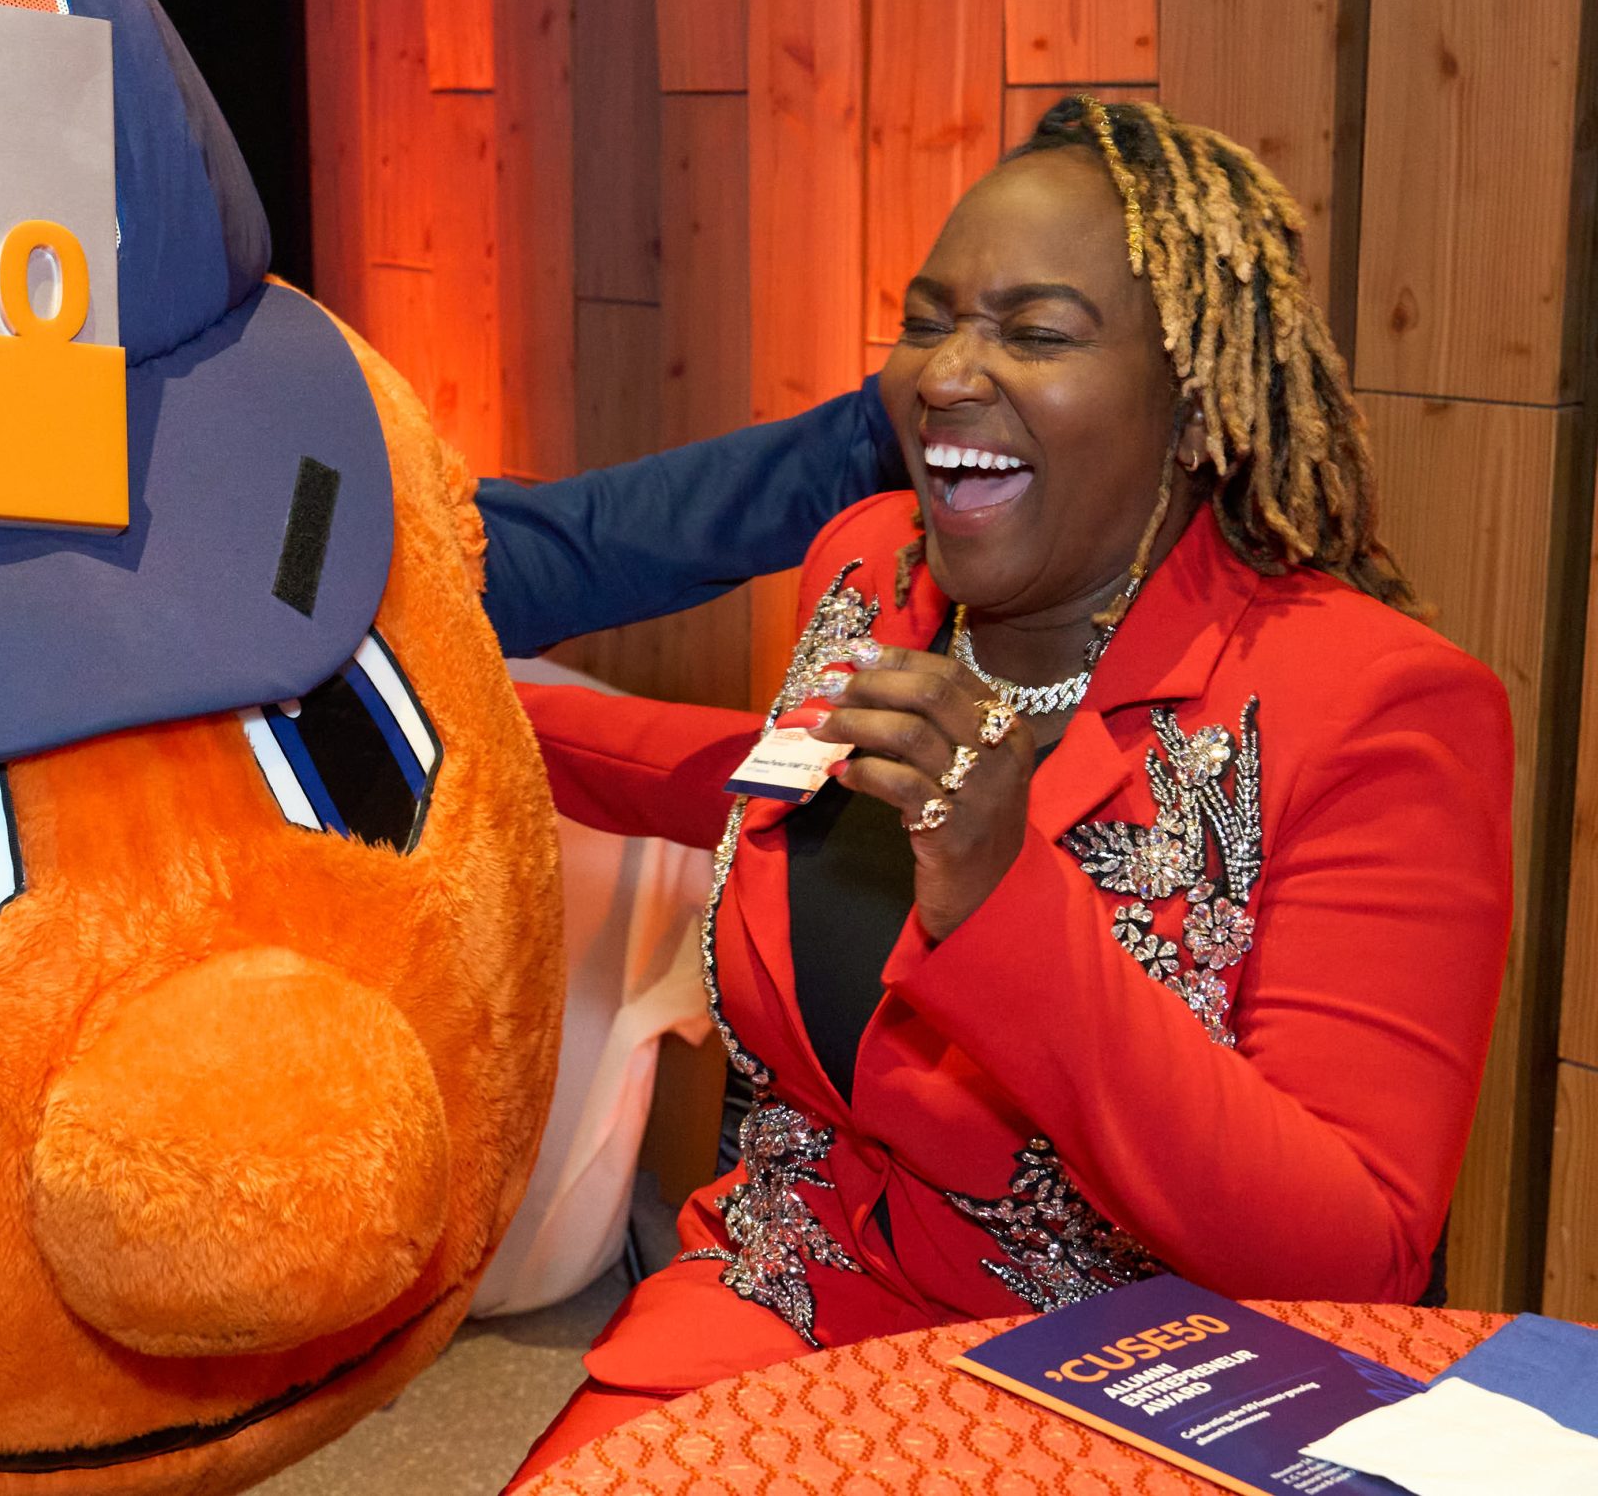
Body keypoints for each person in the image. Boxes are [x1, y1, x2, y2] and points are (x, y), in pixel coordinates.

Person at [506, 97, 1513, 1480]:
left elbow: (1352, 1246)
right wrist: (483, 718)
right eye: (927, 321)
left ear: (1192, 400)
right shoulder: (869, 566)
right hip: (789, 1288)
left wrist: (1004, 902)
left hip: (1135, 1385)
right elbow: (779, 793)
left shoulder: (1374, 706)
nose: (948, 373)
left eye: (1035, 334)